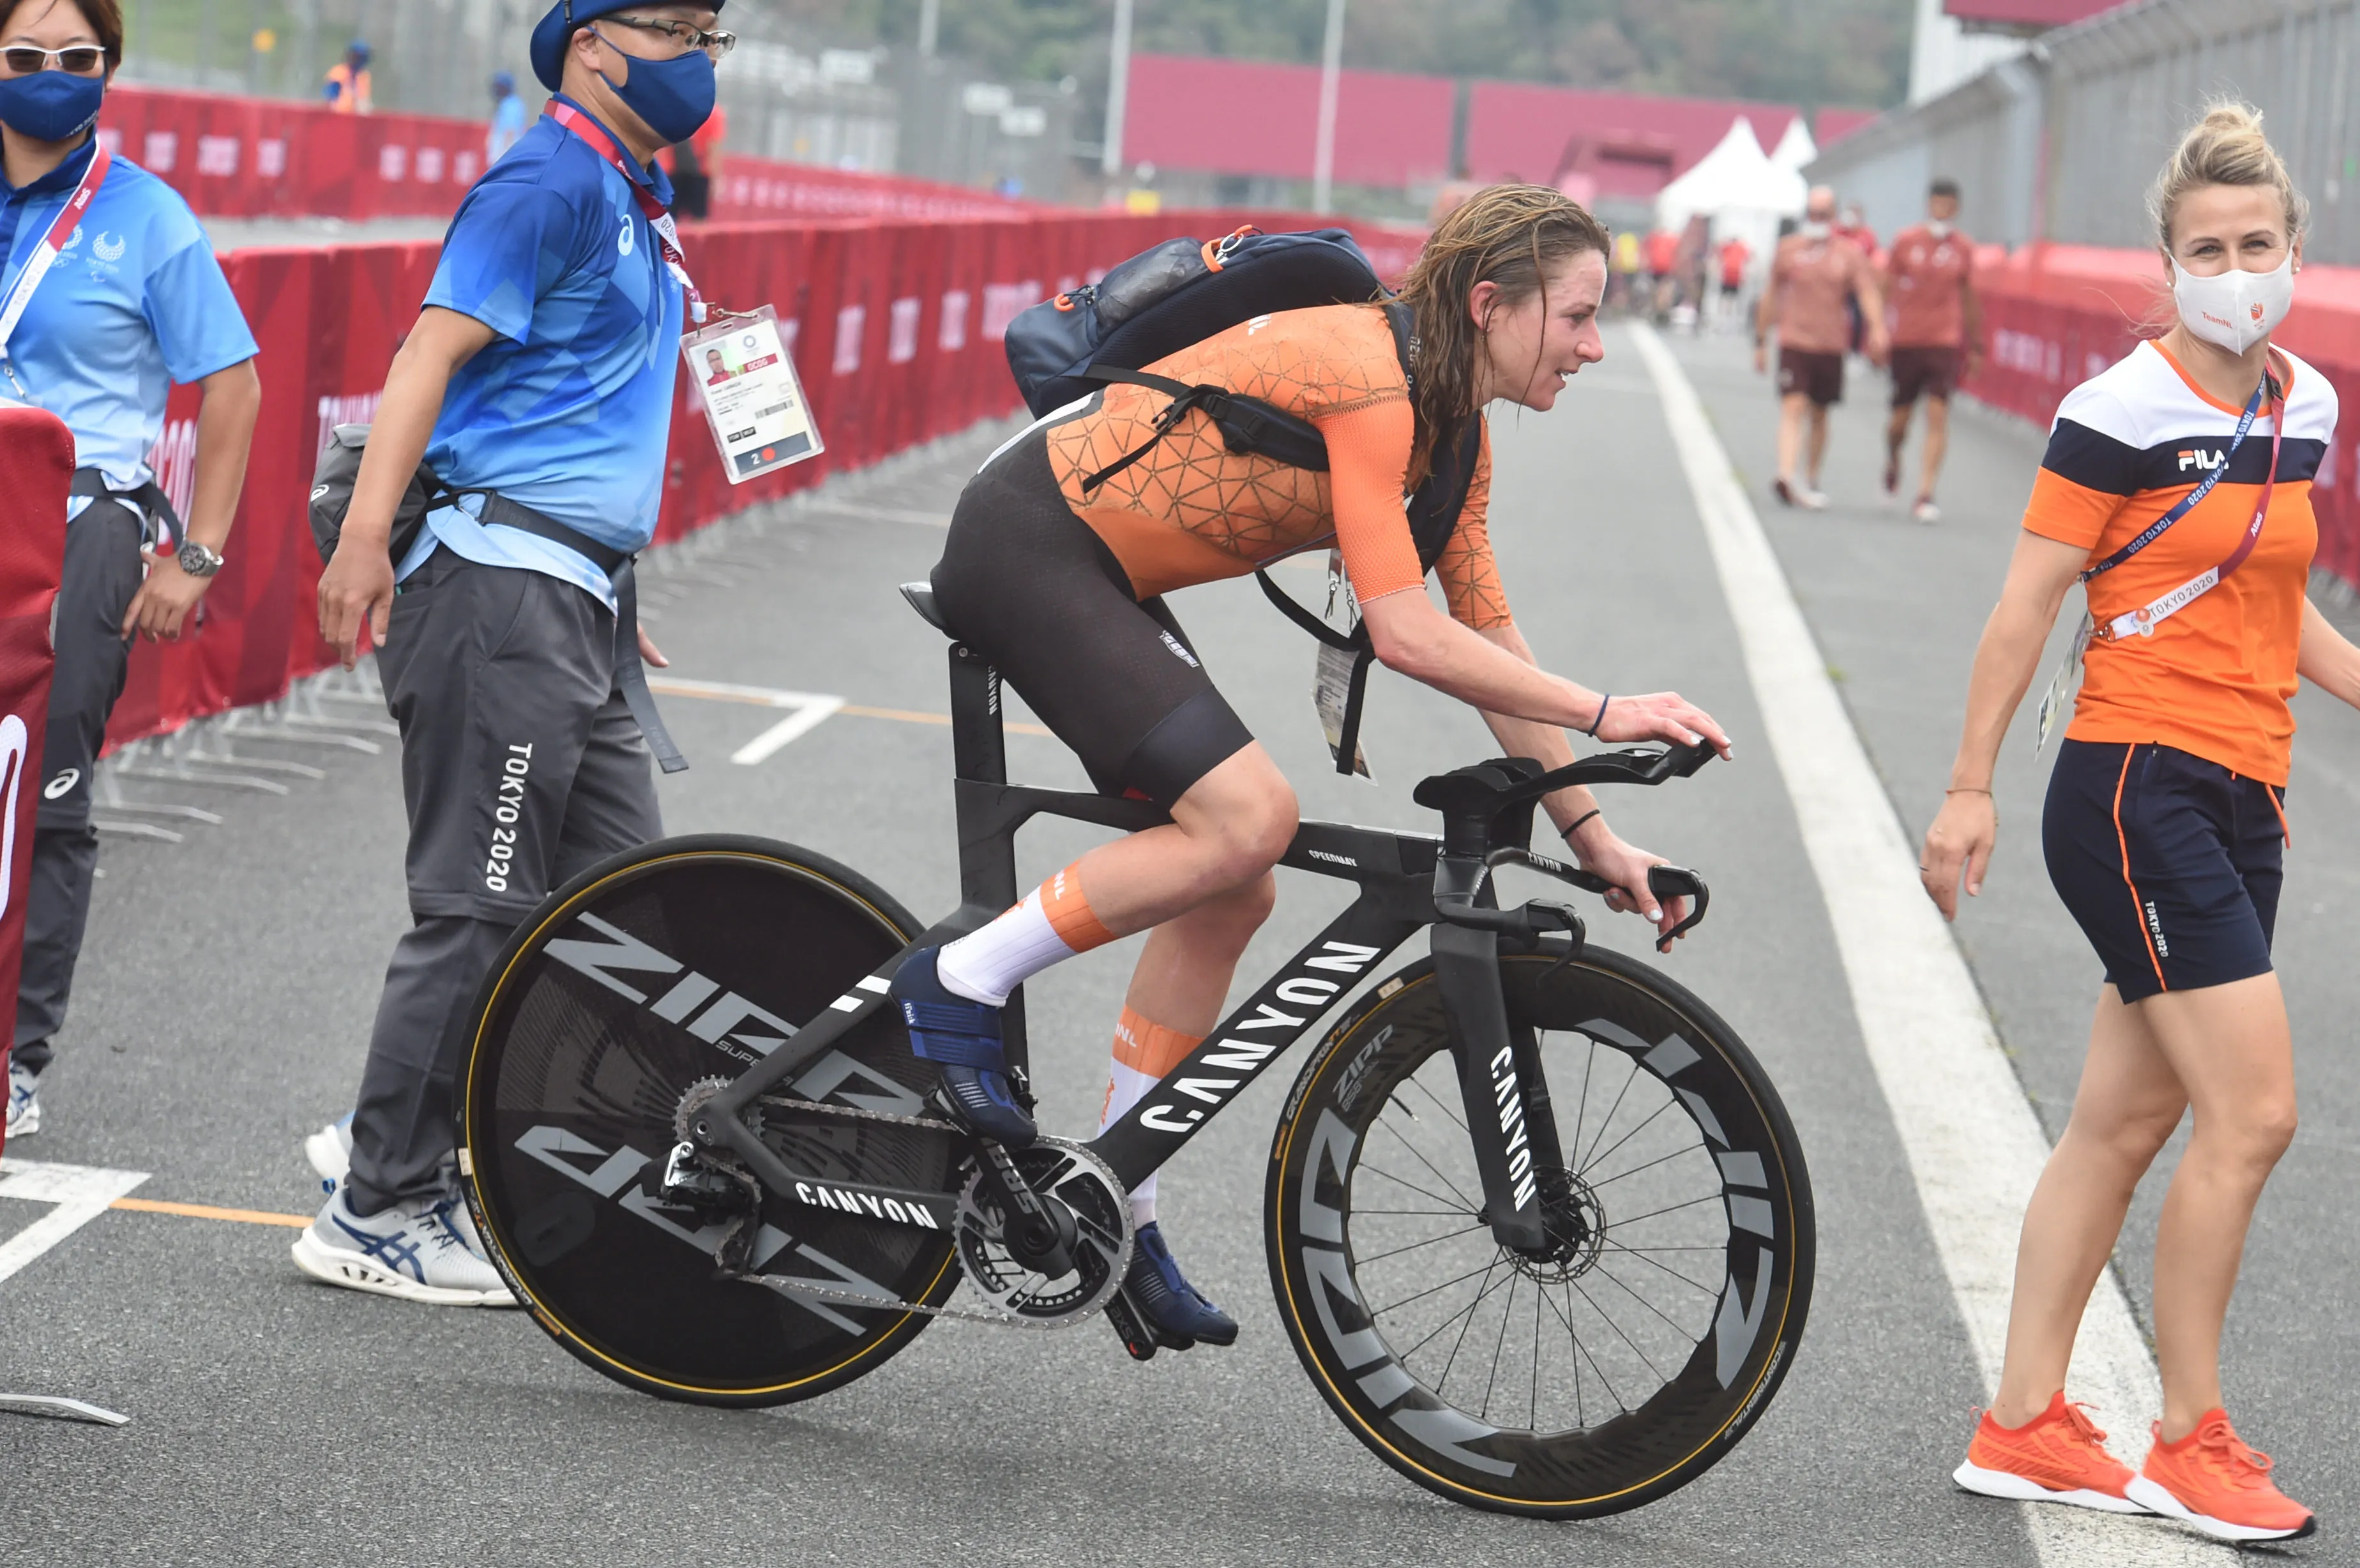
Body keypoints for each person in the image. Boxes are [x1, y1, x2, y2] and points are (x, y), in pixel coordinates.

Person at [889, 185, 1733, 1348]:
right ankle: (959, 980)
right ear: (1491, 306)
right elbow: (1406, 634)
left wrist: (1597, 839)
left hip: (1105, 577)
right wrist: (1607, 709)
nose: (1596, 344)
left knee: (1236, 875)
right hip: (1031, 541)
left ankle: (1115, 1216)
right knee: (1249, 818)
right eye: (1580, 316)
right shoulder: (1372, 382)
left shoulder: (1453, 434)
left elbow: (1486, 636)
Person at [1923, 103, 2354, 1545]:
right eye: (2206, 250)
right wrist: (1970, 784)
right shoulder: (2119, 407)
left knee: (2127, 1115)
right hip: (2132, 785)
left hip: (2247, 789)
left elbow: (2277, 608)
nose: (2236, 268)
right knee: (2256, 1111)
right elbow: (2025, 605)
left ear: (2299, 249)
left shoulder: (2306, 405)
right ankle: (2189, 1436)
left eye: (2258, 244)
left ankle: (2026, 1419)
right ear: (2166, 264)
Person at [298, 0, 732, 1306]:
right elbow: (430, 350)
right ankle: (378, 1203)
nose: (700, 53)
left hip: (570, 600)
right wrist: (362, 537)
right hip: (496, 596)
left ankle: (407, 1140)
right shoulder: (545, 179)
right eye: (673, 26)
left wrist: (607, 582)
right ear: (591, 43)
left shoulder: (624, 190)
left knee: (613, 908)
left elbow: (576, 414)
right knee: (480, 908)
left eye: (715, 29)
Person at [0, 0, 260, 1141]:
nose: (52, 75)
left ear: (110, 66)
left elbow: (235, 385)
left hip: (74, 533)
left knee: (42, 800)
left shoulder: (147, 215)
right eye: (23, 57)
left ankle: (15, 1057)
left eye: (79, 58)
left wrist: (195, 557)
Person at [1755, 183, 1884, 508]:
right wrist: (1761, 339)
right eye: (1812, 213)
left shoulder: (1848, 253)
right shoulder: (1789, 250)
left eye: (1823, 214)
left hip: (1830, 345)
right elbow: (1771, 295)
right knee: (1792, 406)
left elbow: (1867, 291)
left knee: (1820, 413)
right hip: (1794, 341)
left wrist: (1878, 328)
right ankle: (1786, 475)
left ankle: (1811, 477)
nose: (1817, 219)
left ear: (1833, 216)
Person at [1882, 177, 1983, 524]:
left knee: (1938, 414)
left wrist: (1976, 343)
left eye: (1948, 205)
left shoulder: (1963, 248)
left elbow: (1969, 296)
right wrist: (1878, 329)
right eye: (1936, 204)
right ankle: (1893, 456)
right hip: (1908, 340)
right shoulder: (1906, 242)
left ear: (1955, 208)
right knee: (1900, 420)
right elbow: (1885, 285)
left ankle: (1925, 491)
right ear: (1929, 205)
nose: (1942, 210)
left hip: (1944, 340)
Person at [485, 68, 526, 163]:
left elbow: (510, 131)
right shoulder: (505, 104)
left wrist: (504, 156)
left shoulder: (512, 106)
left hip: (504, 155)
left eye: (499, 87)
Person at [322, 38, 370, 114]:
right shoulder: (339, 72)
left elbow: (364, 100)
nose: (358, 61)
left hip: (356, 117)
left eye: (361, 58)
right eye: (356, 57)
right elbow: (331, 98)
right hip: (339, 115)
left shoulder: (364, 76)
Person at [1715, 232, 1750, 329]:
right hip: (1737, 275)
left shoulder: (1727, 246)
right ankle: (1730, 318)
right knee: (1733, 298)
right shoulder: (1742, 248)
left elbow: (1719, 254)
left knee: (1724, 297)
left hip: (1727, 274)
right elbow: (1747, 260)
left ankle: (1723, 317)